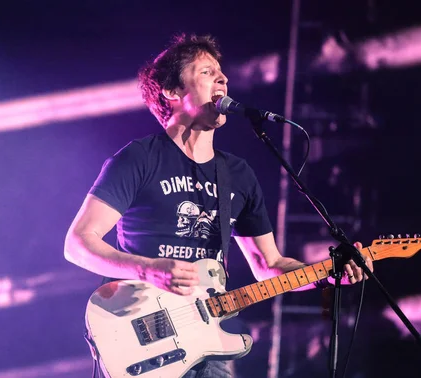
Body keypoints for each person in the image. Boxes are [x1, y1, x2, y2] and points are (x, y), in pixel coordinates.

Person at [64, 33, 374, 378]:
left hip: (208, 345)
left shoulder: (238, 174)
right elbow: (77, 244)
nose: (223, 79)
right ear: (172, 91)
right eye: (207, 72)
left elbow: (269, 265)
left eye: (221, 73)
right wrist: (147, 268)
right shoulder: (139, 158)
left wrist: (327, 276)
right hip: (142, 337)